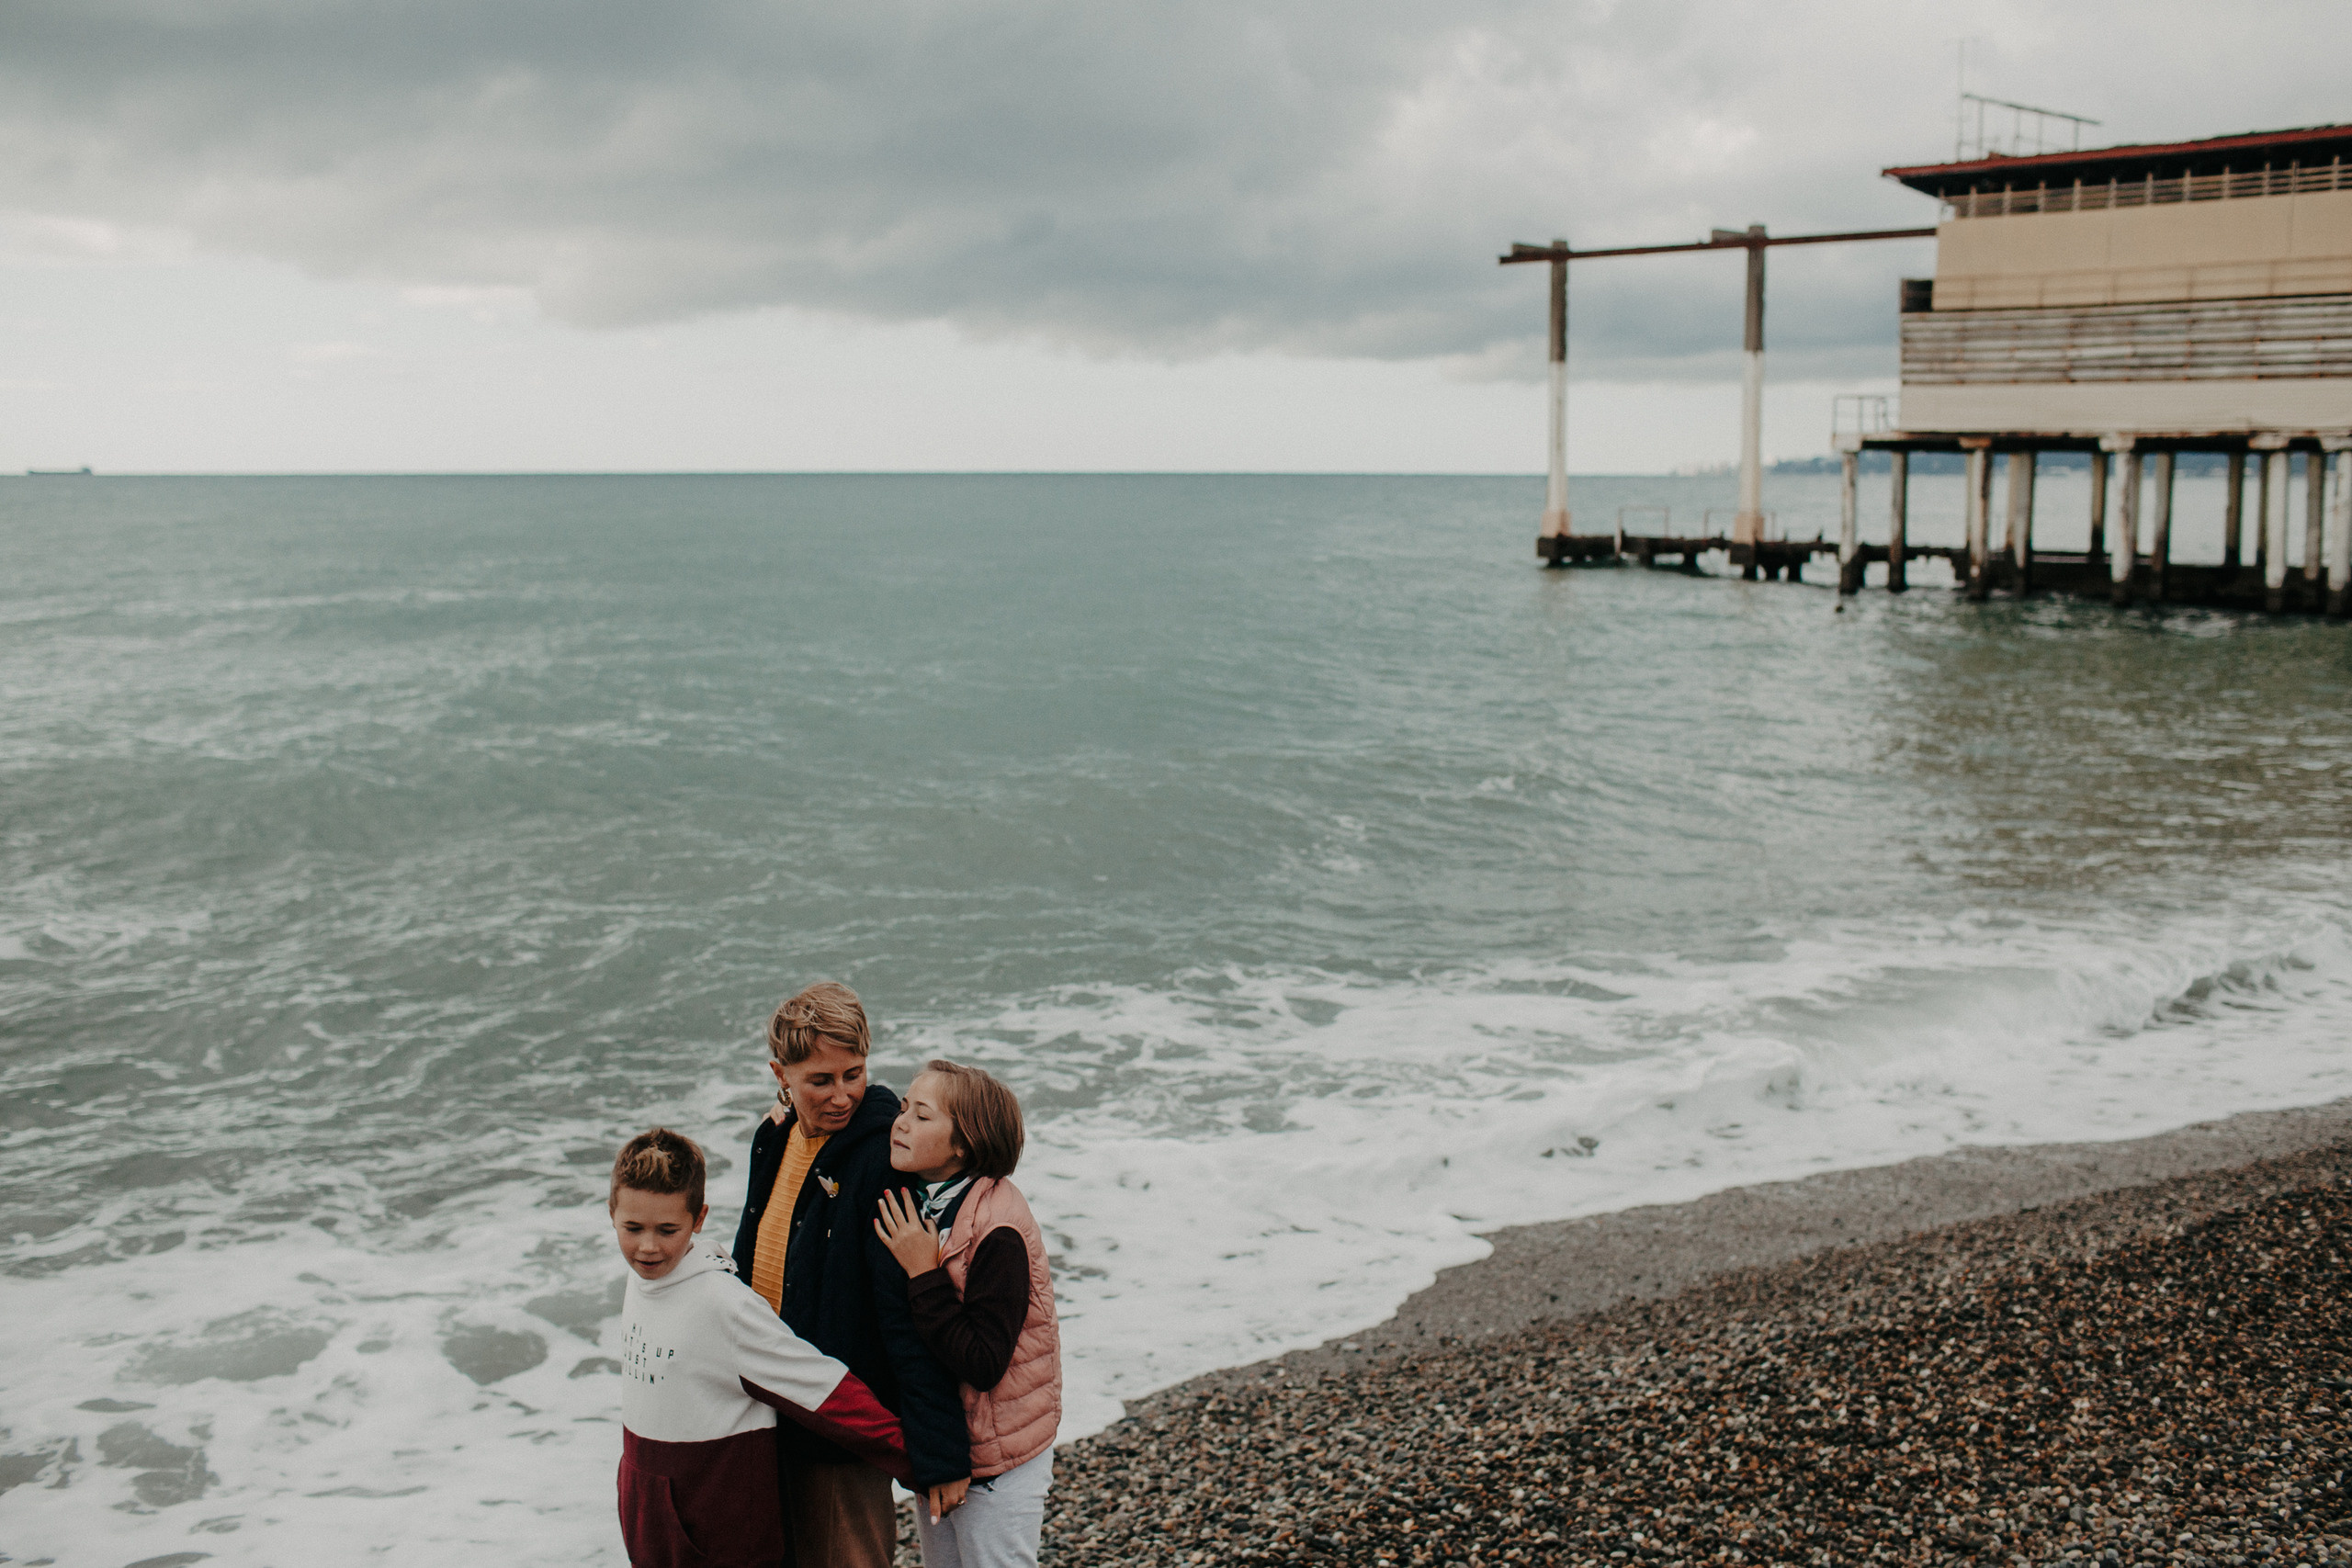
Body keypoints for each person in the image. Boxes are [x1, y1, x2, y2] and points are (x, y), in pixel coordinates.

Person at [729, 983, 970, 1567]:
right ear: (780, 1074)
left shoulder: (880, 1160)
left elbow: (905, 1306)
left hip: (837, 1421)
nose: (842, 1097)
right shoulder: (773, 1139)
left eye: (853, 1074)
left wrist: (939, 1452)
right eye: (820, 1081)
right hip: (767, 1408)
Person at [608, 1127, 910, 1568]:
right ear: (611, 1213)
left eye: (667, 1229)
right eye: (632, 1228)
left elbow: (824, 1390)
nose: (648, 1246)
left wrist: (925, 1459)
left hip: (721, 1537)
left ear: (699, 1218)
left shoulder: (724, 1306)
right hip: (651, 1523)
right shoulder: (642, 1280)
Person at [872, 1060, 1062, 1568]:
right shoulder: (930, 1200)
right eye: (904, 1106)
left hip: (1001, 1460)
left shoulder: (998, 1231)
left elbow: (983, 1362)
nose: (901, 1121)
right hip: (952, 1447)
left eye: (922, 1115)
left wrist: (922, 1272)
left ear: (963, 1145)